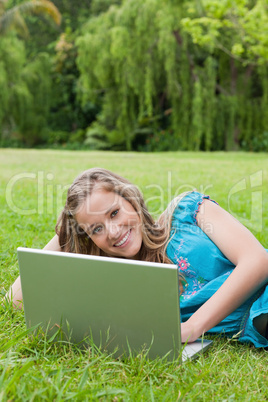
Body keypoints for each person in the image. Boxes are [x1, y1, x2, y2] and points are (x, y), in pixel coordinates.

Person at [8, 168, 268, 347]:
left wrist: (192, 327)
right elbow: (16, 300)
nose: (113, 232)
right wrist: (66, 233)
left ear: (130, 200)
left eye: (114, 213)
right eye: (96, 229)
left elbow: (258, 261)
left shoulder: (187, 211)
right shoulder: (122, 282)